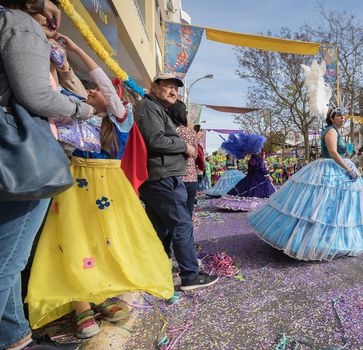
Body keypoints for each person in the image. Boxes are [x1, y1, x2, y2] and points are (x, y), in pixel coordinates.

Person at [26, 34, 173, 338]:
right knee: (73, 243)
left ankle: (102, 296)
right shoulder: (72, 115)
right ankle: (82, 307)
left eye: (98, 90)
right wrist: (60, 64)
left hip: (109, 192)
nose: (92, 90)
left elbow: (102, 82)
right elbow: (53, 89)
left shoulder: (121, 119)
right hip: (73, 192)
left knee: (107, 244)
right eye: (87, 89)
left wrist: (77, 49)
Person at [0, 1, 97, 349]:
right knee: (7, 262)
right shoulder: (18, 23)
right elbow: (38, 96)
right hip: (22, 161)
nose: (54, 25)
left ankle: (14, 336)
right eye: (50, 17)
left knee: (10, 261)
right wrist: (83, 109)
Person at [247, 108, 363, 260]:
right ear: (331, 118)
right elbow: (333, 152)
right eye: (339, 116)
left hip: (336, 168)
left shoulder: (334, 130)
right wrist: (349, 169)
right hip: (332, 168)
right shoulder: (331, 131)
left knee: (332, 205)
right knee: (325, 204)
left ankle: (329, 238)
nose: (343, 118)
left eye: (343, 116)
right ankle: (316, 240)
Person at [136, 73, 217, 292]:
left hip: (163, 177)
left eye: (176, 89)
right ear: (154, 86)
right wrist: (185, 147)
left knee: (160, 229)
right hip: (162, 177)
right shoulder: (148, 107)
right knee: (181, 225)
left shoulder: (156, 109)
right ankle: (190, 275)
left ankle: (156, 270)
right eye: (169, 87)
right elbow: (154, 140)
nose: (173, 92)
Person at [213, 135, 276, 211]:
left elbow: (250, 171)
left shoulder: (251, 160)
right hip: (260, 179)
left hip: (250, 178)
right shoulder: (259, 160)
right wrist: (268, 175)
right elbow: (262, 169)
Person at [168, 100, 200, 216]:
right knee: (187, 214)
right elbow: (196, 154)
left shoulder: (167, 130)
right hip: (190, 177)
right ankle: (186, 234)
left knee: (172, 215)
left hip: (171, 178)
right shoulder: (190, 132)